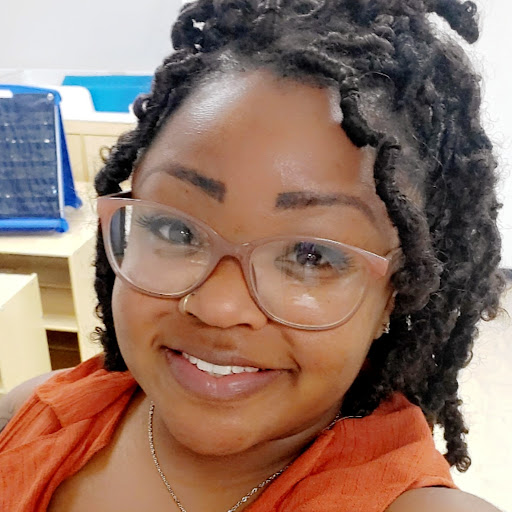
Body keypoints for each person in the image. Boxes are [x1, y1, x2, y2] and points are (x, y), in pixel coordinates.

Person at [0, 0, 505, 510]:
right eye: (176, 229)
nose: (218, 307)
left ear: (396, 294)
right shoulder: (31, 418)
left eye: (310, 255)